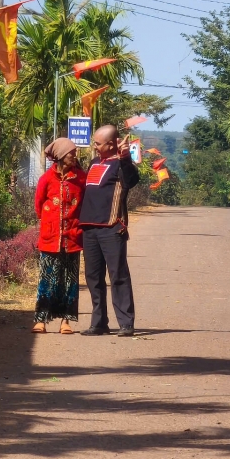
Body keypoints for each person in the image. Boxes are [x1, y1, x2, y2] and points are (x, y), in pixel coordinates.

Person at [79, 124, 139, 336]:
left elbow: (132, 180)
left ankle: (126, 323)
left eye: (98, 143)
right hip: (89, 228)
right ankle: (99, 323)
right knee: (93, 277)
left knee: (118, 275)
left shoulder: (121, 165)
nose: (95, 147)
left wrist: (125, 158)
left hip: (112, 227)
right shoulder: (94, 162)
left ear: (112, 144)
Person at [32, 137, 86, 334]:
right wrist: (51, 223)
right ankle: (41, 320)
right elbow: (39, 206)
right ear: (61, 156)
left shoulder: (81, 178)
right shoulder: (46, 179)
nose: (75, 156)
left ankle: (66, 321)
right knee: (47, 280)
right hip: (50, 238)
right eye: (71, 153)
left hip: (72, 238)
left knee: (70, 281)